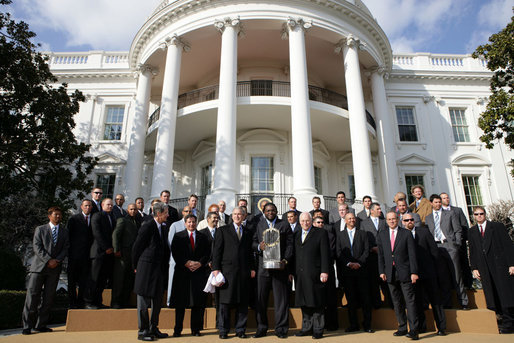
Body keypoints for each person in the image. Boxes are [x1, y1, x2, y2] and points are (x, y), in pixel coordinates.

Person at [22, 207, 69, 335]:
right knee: (32, 296)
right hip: (39, 268)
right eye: (55, 215)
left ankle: (41, 325)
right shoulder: (40, 229)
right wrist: (49, 260)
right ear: (49, 216)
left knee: (48, 298)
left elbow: (65, 248)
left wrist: (57, 261)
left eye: (60, 215)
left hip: (54, 269)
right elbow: (37, 247)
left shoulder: (64, 232)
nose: (58, 217)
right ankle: (27, 325)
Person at [469, 206, 514, 334]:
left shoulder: (497, 227)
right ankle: (501, 319)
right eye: (476, 214)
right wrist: (474, 268)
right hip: (484, 267)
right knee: (492, 294)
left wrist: (511, 264)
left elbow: (508, 245)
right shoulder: (472, 231)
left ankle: (509, 322)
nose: (479, 216)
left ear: (485, 214)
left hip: (499, 265)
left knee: (504, 293)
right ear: (474, 216)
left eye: (481, 214)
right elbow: (472, 251)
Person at [212, 207, 256, 339]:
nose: (237, 216)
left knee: (242, 302)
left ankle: (240, 329)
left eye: (239, 214)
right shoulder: (222, 230)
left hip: (243, 272)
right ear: (232, 216)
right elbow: (217, 252)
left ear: (244, 216)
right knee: (225, 303)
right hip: (227, 272)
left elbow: (250, 253)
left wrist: (252, 268)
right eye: (235, 214)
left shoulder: (248, 232)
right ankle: (223, 330)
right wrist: (215, 268)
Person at [252, 203, 294, 338]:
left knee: (281, 300)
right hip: (263, 269)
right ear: (264, 211)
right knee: (261, 299)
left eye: (273, 210)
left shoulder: (284, 224)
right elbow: (252, 243)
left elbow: (290, 245)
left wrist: (285, 261)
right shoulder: (258, 224)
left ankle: (281, 329)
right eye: (268, 210)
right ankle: (262, 328)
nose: (270, 212)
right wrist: (259, 247)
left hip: (280, 269)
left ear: (277, 211)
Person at [402, 213, 447, 335]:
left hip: (428, 272)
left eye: (411, 219)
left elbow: (434, 252)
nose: (409, 222)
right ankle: (421, 327)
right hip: (412, 275)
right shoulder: (401, 235)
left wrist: (435, 270)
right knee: (417, 302)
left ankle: (441, 327)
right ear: (402, 222)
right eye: (406, 220)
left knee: (435, 300)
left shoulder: (424, 232)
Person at [377, 211, 419, 340]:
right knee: (396, 301)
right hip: (390, 272)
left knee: (409, 301)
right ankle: (402, 327)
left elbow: (412, 254)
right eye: (389, 219)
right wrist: (382, 271)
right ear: (386, 221)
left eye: (393, 219)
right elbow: (381, 255)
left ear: (398, 219)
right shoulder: (382, 234)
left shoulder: (406, 233)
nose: (391, 221)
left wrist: (414, 272)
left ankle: (413, 330)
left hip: (405, 272)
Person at [132, 201, 170, 341]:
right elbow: (137, 247)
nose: (168, 215)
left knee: (157, 301)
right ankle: (143, 331)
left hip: (158, 270)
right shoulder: (147, 226)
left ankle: (154, 328)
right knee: (143, 301)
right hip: (146, 268)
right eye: (166, 213)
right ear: (159, 213)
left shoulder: (163, 227)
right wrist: (135, 266)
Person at [425, 194, 468, 309]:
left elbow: (458, 230)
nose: (438, 204)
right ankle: (447, 303)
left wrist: (456, 244)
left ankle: (463, 302)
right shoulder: (428, 218)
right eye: (436, 202)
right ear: (431, 203)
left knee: (456, 274)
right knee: (443, 276)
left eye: (439, 202)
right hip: (437, 248)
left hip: (450, 246)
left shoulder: (450, 214)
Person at [170, 214, 211, 337]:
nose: (191, 224)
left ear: (196, 223)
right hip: (182, 273)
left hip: (198, 273)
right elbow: (175, 252)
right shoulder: (178, 236)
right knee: (180, 304)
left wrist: (199, 263)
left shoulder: (203, 237)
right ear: (185, 223)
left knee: (197, 303)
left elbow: (207, 253)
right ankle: (178, 329)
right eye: (189, 222)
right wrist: (186, 263)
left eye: (193, 222)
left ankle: (196, 329)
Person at [294, 212, 330, 339]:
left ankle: (318, 329)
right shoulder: (297, 234)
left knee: (317, 302)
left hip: (316, 274)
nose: (305, 223)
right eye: (302, 221)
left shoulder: (321, 233)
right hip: (300, 275)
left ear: (311, 221)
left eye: (307, 220)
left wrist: (324, 271)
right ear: (299, 222)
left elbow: (325, 254)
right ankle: (306, 328)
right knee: (304, 302)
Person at [336, 213, 373, 333]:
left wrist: (359, 263)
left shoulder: (363, 233)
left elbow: (367, 251)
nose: (352, 220)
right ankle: (353, 324)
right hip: (347, 272)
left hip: (362, 271)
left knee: (365, 299)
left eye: (353, 218)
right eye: (349, 219)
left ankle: (367, 325)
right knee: (351, 300)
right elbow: (339, 252)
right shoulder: (340, 235)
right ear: (345, 220)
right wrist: (349, 264)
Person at [86, 198, 115, 309]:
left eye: (111, 205)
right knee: (94, 278)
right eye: (108, 204)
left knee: (102, 280)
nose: (110, 206)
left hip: (108, 254)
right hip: (98, 252)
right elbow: (97, 233)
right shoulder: (97, 216)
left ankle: (98, 301)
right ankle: (88, 301)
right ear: (102, 205)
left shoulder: (112, 217)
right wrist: (106, 247)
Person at [312, 212, 338, 331]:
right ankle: (316, 324)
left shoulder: (330, 236)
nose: (320, 224)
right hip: (314, 271)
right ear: (313, 224)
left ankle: (332, 323)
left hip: (328, 270)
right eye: (318, 222)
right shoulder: (309, 236)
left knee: (330, 298)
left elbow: (331, 253)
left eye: (322, 222)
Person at [440, 192, 472, 289]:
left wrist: (461, 240)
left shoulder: (457, 210)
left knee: (464, 263)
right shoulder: (439, 213)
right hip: (447, 243)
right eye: (444, 198)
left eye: (447, 197)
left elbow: (464, 225)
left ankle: (468, 284)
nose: (446, 199)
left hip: (459, 242)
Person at [360, 202, 389, 308]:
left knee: (385, 280)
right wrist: (371, 248)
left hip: (384, 255)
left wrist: (381, 248)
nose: (380, 210)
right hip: (371, 255)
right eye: (378, 209)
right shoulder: (364, 223)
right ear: (372, 211)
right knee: (373, 281)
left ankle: (388, 303)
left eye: (380, 208)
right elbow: (363, 238)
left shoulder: (384, 222)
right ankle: (376, 303)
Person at [111, 203, 139, 308]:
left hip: (132, 255)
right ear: (127, 210)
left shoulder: (137, 222)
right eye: (131, 209)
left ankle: (125, 301)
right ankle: (116, 301)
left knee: (128, 278)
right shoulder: (122, 220)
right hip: (122, 254)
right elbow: (116, 235)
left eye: (135, 209)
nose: (133, 211)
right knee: (119, 278)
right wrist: (116, 249)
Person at [66, 199, 93, 309]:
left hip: (87, 256)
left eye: (89, 206)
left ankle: (81, 301)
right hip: (74, 255)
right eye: (86, 206)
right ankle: (72, 303)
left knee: (84, 281)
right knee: (72, 280)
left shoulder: (94, 219)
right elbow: (68, 237)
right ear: (81, 207)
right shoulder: (74, 219)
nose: (88, 208)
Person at [166, 206, 191, 306]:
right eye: (186, 211)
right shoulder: (175, 225)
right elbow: (170, 242)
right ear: (182, 213)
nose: (188, 212)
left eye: (190, 211)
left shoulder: (192, 224)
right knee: (172, 280)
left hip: (188, 260)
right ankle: (169, 301)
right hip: (175, 259)